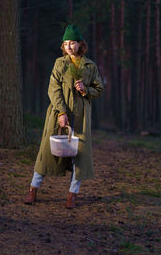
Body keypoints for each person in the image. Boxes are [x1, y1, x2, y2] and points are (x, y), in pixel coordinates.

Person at [24, 25, 104, 208]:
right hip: (58, 114)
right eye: (66, 43)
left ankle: (72, 195)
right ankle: (33, 190)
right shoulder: (60, 63)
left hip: (81, 116)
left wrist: (86, 90)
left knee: (80, 155)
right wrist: (61, 112)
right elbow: (53, 89)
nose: (69, 46)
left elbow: (99, 89)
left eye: (72, 43)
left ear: (80, 44)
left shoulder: (90, 66)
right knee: (45, 153)